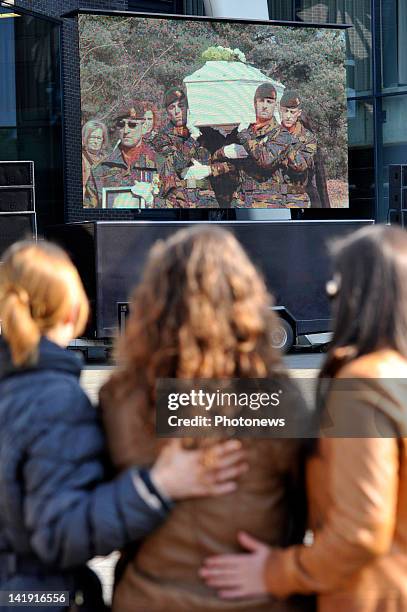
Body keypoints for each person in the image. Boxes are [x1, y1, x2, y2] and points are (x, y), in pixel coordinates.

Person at [0, 240, 247, 612]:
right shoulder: (57, 400)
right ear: (72, 312)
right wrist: (157, 486)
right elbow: (61, 533)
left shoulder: (57, 393)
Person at [100, 225, 314, 612]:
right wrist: (282, 568)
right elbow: (316, 513)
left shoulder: (120, 398)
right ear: (246, 299)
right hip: (258, 599)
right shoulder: (278, 398)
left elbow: (98, 521)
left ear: (154, 302)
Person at [201, 224, 407, 612]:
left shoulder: (364, 384)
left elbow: (360, 531)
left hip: (368, 596)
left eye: (338, 281)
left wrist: (276, 571)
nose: (332, 292)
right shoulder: (396, 373)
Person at [152, 87, 222, 208]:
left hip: (207, 199)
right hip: (178, 200)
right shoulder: (162, 137)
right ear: (167, 111)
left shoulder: (207, 132)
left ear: (189, 107)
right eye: (172, 107)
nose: (177, 111)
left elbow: (230, 163)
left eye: (181, 106)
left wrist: (211, 170)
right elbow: (177, 164)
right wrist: (193, 138)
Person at [84, 102, 157, 209]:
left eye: (132, 124)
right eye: (121, 124)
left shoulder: (159, 163)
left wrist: (153, 202)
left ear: (144, 126)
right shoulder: (101, 169)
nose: (126, 131)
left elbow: (183, 204)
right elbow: (88, 210)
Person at [81, 119, 109, 195]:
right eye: (92, 137)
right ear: (85, 138)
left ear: (103, 140)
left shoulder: (107, 159)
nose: (95, 141)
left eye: (99, 138)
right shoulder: (81, 158)